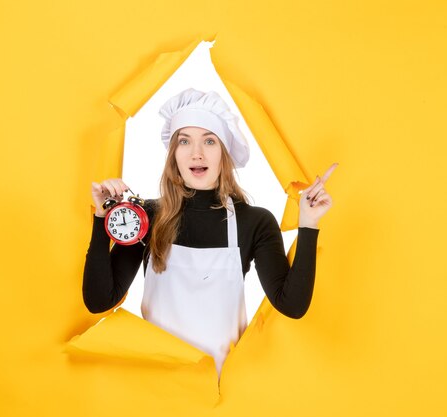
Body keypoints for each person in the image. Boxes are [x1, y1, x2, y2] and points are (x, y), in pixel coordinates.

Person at [82, 88, 336, 375]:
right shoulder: (148, 216)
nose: (197, 153)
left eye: (209, 141)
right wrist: (103, 218)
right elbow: (99, 300)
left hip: (221, 394)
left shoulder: (255, 222)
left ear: (224, 154)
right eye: (184, 141)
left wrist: (308, 223)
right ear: (174, 154)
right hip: (155, 388)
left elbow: (292, 305)